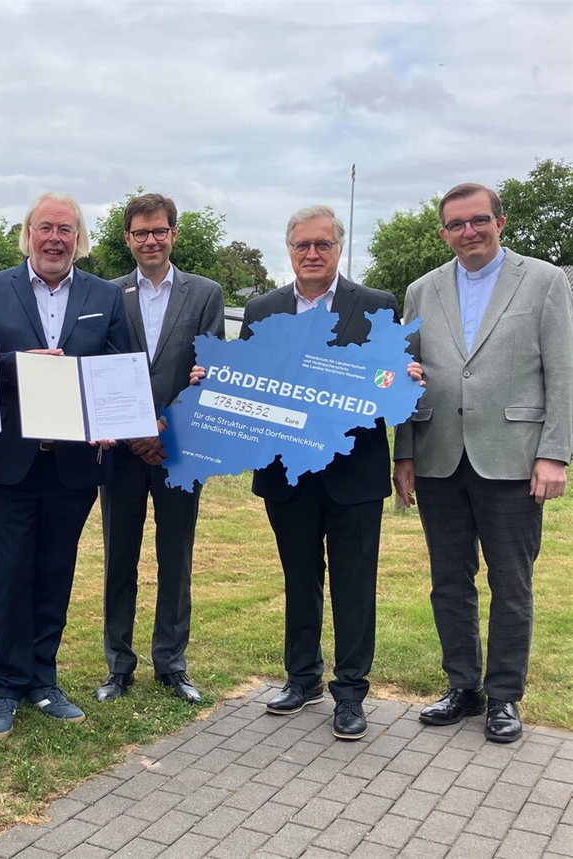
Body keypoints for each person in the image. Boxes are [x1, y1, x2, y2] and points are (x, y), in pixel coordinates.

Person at [394, 183, 573, 744]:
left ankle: (504, 696)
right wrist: (404, 452)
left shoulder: (544, 280)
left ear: (500, 222)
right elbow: (404, 375)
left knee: (511, 583)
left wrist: (554, 453)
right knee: (449, 581)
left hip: (513, 458)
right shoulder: (421, 290)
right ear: (443, 232)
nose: (468, 231)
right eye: (456, 224)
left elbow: (562, 371)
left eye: (478, 220)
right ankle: (462, 687)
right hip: (438, 455)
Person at [0, 192, 131, 740]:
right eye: (46, 227)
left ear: (78, 237)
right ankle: (5, 685)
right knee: (7, 574)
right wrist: (20, 363)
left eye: (66, 229)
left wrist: (113, 418)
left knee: (55, 572)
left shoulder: (105, 295)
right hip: (9, 460)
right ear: (29, 233)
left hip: (74, 464)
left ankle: (43, 679)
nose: (55, 238)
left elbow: (118, 367)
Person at [240, 205, 399, 741]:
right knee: (299, 577)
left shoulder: (376, 305)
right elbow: (249, 381)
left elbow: (388, 378)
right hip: (287, 473)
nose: (312, 253)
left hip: (354, 473)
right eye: (302, 245)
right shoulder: (262, 310)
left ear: (338, 248)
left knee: (354, 585)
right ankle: (302, 678)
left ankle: (350, 692)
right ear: (289, 250)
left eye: (322, 244)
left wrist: (399, 377)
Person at [98, 193, 225, 705]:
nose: (150, 240)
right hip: (122, 450)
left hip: (181, 449)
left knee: (176, 556)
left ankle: (171, 663)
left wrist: (165, 429)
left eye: (159, 231)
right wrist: (136, 430)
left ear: (173, 233)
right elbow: (104, 367)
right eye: (140, 232)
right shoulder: (109, 294)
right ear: (127, 238)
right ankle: (118, 665)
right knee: (119, 558)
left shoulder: (206, 293)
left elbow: (208, 373)